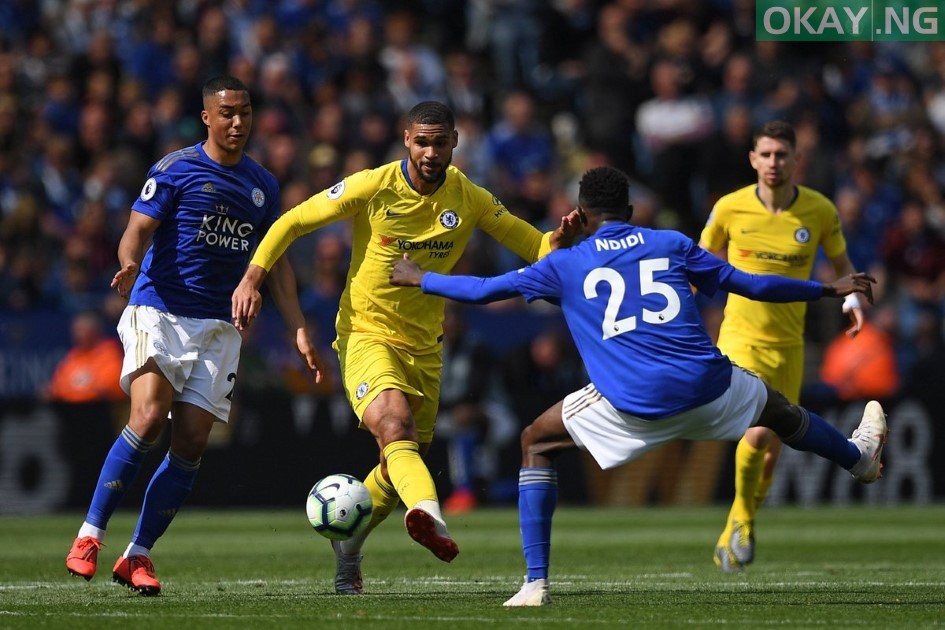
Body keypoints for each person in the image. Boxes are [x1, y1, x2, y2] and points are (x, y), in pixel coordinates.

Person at [390, 165, 887, 607]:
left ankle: (535, 583)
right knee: (777, 410)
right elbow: (750, 284)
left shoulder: (563, 264)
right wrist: (826, 288)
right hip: (708, 390)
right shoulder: (671, 242)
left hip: (631, 403)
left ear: (580, 215)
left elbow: (484, 290)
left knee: (536, 443)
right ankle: (856, 458)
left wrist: (421, 277)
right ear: (629, 210)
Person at [230, 101, 581, 595]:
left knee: (398, 462)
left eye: (440, 142)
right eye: (422, 141)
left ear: (455, 142)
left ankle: (348, 551)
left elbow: (533, 246)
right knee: (394, 427)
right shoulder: (373, 186)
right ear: (405, 140)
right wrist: (252, 278)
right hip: (365, 334)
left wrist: (560, 242)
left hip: (425, 348)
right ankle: (430, 514)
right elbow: (292, 222)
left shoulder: (470, 197)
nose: (431, 152)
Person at [65, 75, 321, 596]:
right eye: (226, 112)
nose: (237, 122)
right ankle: (89, 535)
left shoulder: (263, 186)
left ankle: (137, 555)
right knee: (149, 414)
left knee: (192, 442)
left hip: (219, 327)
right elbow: (136, 230)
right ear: (207, 117)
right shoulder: (175, 168)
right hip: (159, 309)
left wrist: (297, 327)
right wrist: (129, 264)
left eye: (245, 112)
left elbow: (277, 265)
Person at [699, 120, 867, 572]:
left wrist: (852, 299)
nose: (774, 163)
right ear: (752, 159)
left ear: (796, 160)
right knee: (756, 430)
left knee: (772, 443)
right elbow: (697, 263)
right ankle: (740, 522)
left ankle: (741, 520)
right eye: (766, 154)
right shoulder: (730, 208)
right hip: (740, 338)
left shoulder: (819, 210)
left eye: (782, 155)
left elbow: (842, 263)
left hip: (789, 344)